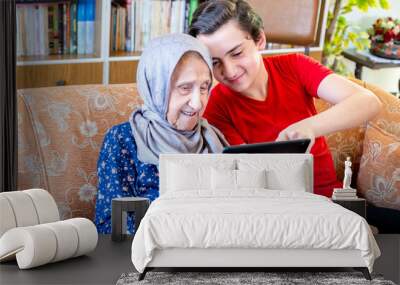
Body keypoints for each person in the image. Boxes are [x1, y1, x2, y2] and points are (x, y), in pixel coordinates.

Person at [188, 0, 381, 197]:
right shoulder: (216, 106)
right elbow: (249, 180)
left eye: (237, 53)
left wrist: (309, 127)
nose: (229, 71)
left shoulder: (294, 66)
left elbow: (368, 102)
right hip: (279, 206)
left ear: (260, 40)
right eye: (215, 62)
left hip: (330, 198)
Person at [94, 34, 228, 234]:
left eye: (204, 87)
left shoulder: (213, 139)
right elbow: (112, 226)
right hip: (151, 258)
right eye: (185, 88)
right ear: (156, 87)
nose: (198, 102)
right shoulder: (123, 140)